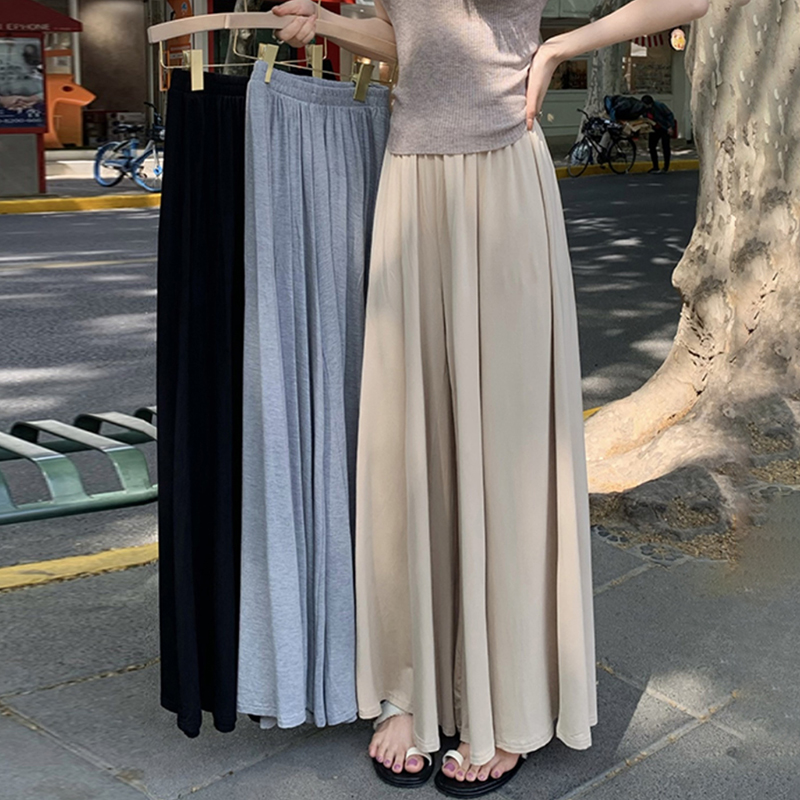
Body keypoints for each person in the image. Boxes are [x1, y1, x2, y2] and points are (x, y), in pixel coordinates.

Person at [273, 0, 711, 796]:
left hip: (504, 175)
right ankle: (410, 684)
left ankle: (510, 697)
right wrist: (326, 23)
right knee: (410, 434)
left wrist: (561, 49)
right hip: (410, 180)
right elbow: (409, 38)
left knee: (506, 439)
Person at [641, 94, 676, 173]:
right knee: (651, 146)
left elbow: (669, 115)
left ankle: (666, 167)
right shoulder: (644, 109)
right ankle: (655, 166)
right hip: (654, 129)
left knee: (665, 147)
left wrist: (670, 127)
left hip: (664, 128)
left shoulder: (659, 106)